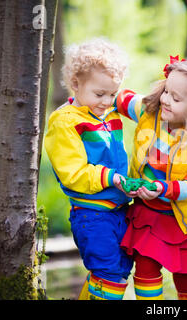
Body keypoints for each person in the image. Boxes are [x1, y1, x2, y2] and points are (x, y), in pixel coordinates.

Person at [116, 56, 187, 300]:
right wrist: (83, 100)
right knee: (145, 272)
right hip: (148, 214)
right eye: (166, 90)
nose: (166, 99)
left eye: (176, 98)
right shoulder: (151, 112)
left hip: (184, 219)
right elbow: (118, 97)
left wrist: (162, 188)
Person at [44, 38, 136, 300]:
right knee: (108, 275)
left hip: (119, 209)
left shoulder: (106, 114)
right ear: (76, 84)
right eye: (100, 94)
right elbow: (72, 173)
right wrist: (112, 178)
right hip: (92, 215)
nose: (108, 102)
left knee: (118, 273)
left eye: (112, 94)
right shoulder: (65, 122)